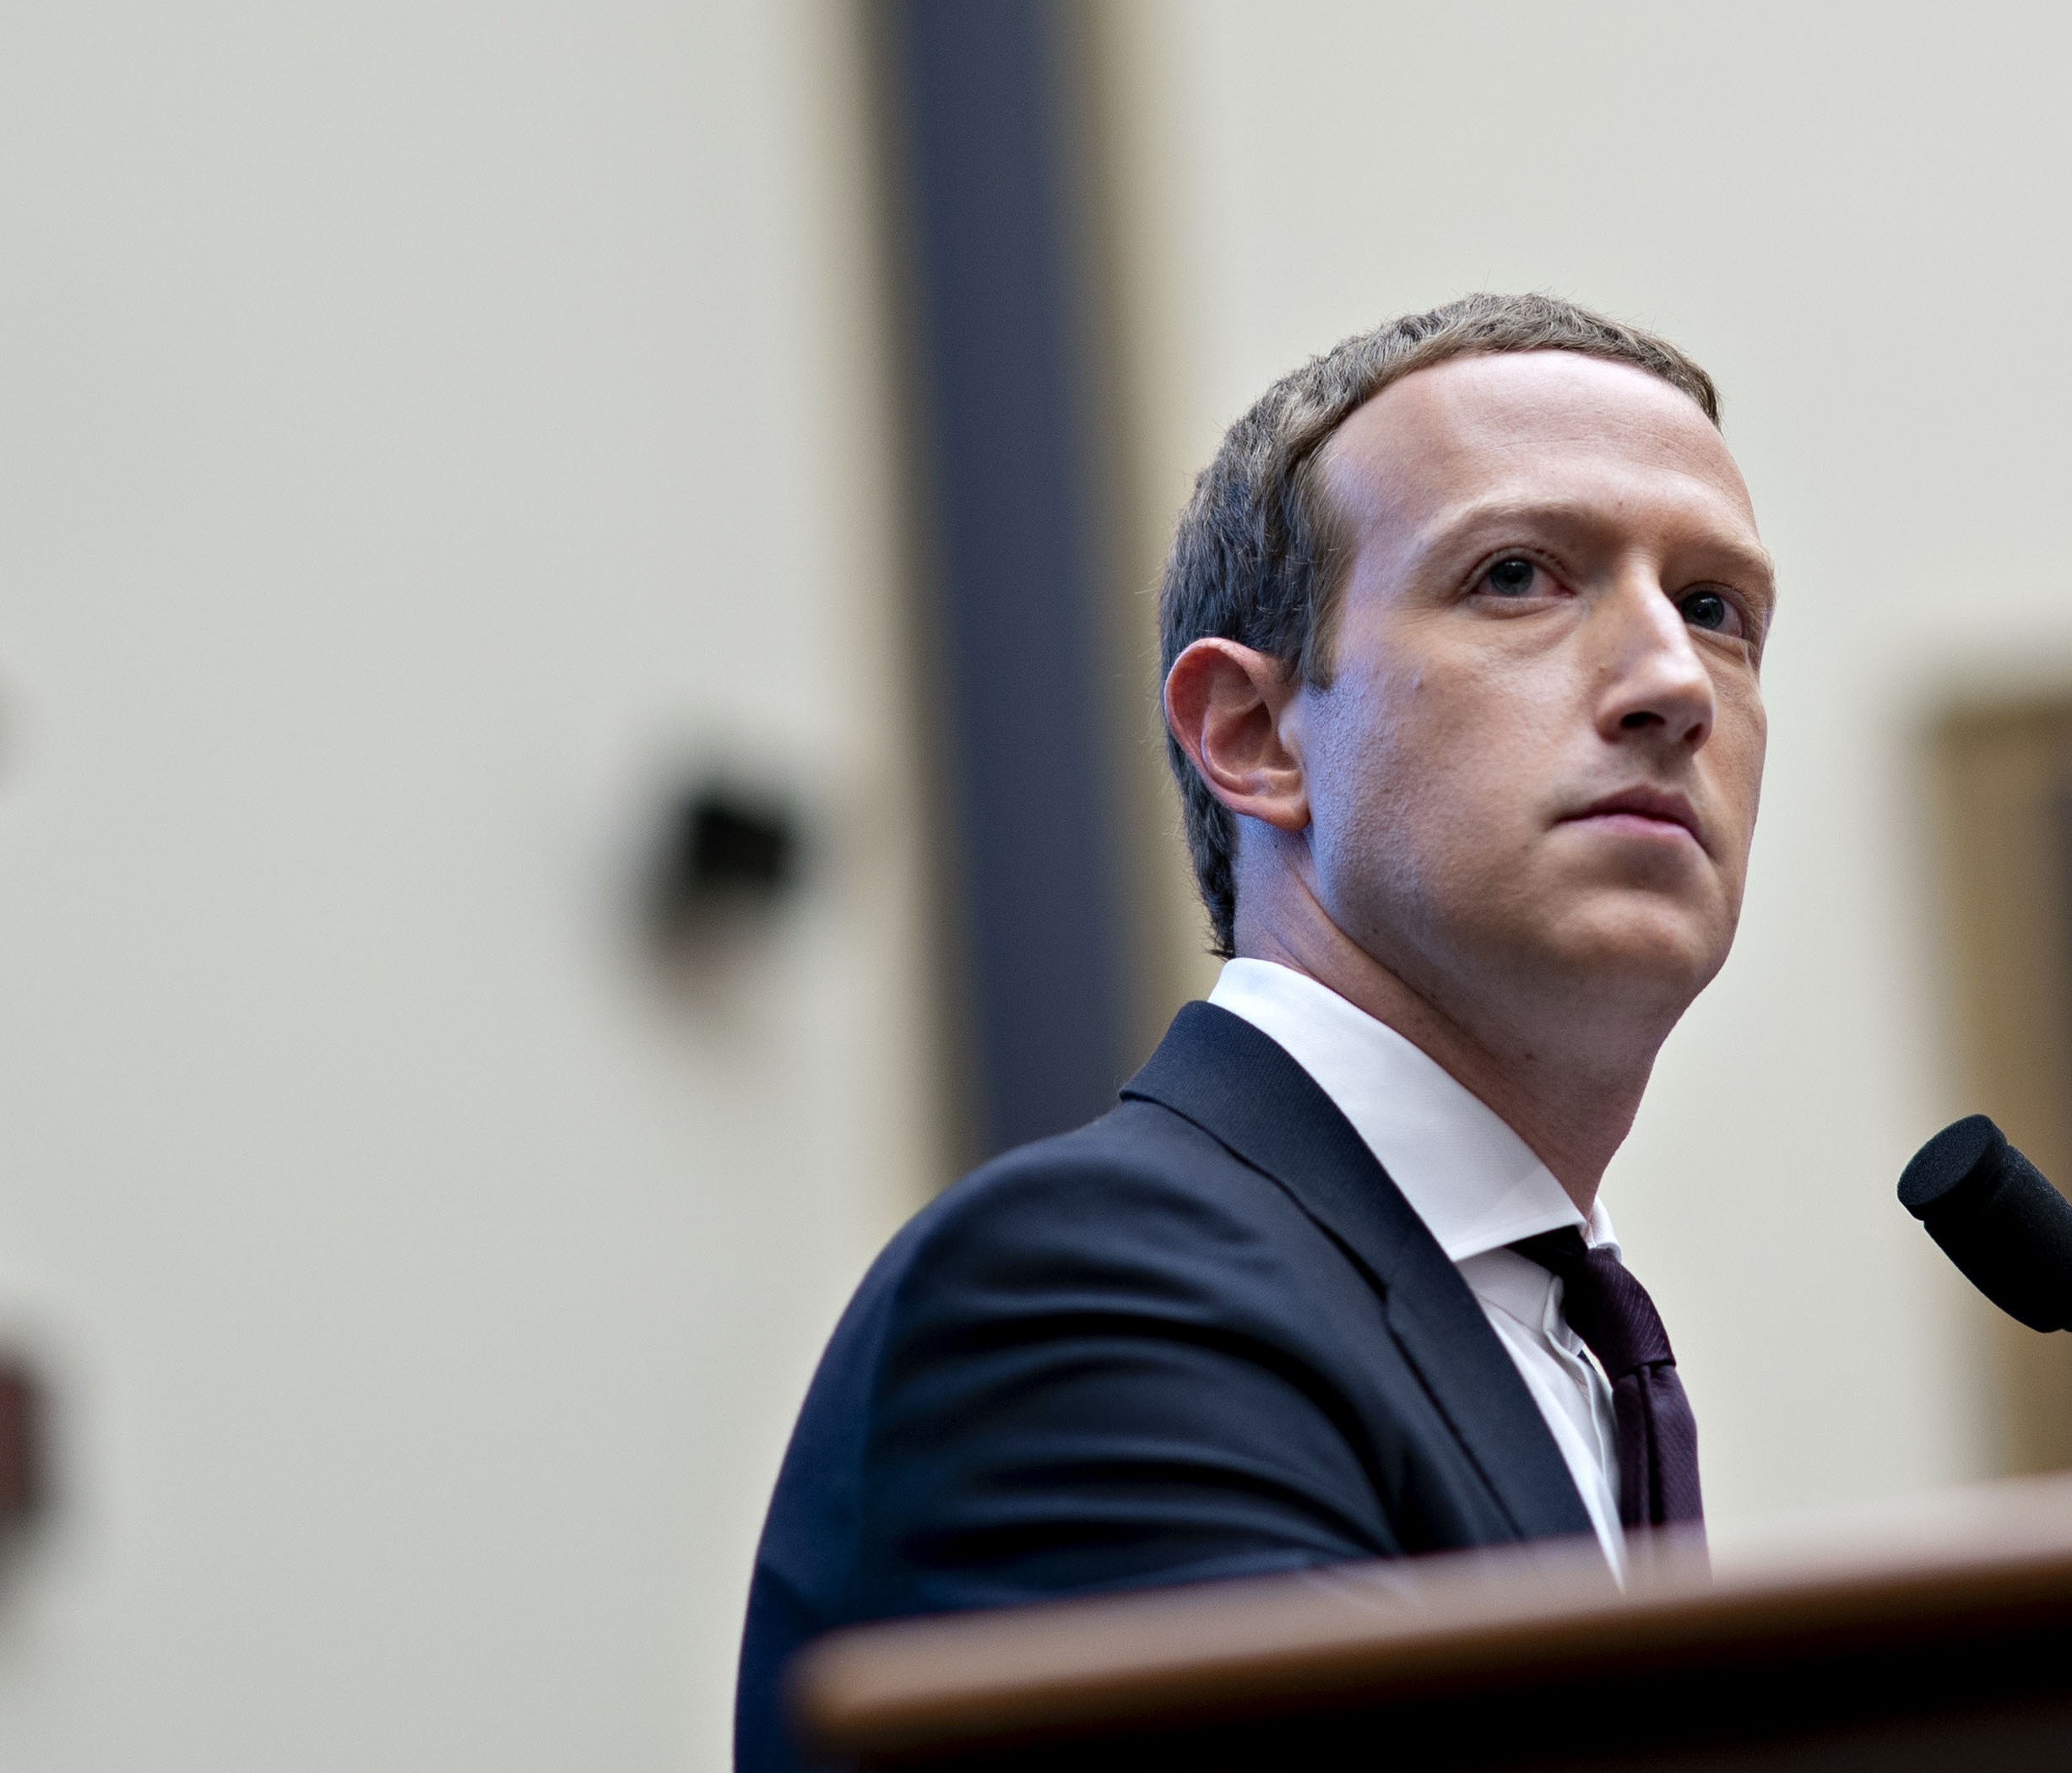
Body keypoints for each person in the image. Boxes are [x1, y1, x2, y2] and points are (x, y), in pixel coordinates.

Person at [735, 295, 1775, 1769]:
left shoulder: (1552, 1331)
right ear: (1257, 737)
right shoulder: (1092, 1293)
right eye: (1521, 575)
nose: (1674, 680)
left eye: (1719, 609)